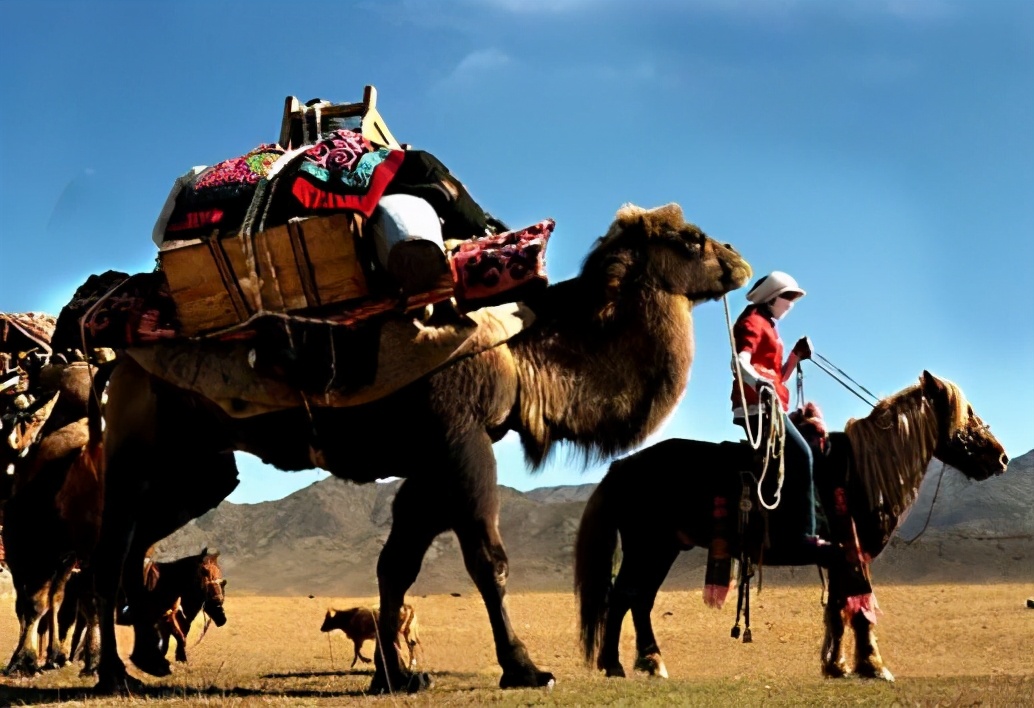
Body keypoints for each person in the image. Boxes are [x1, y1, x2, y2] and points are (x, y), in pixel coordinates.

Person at [729, 270, 829, 565]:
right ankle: (803, 535)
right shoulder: (751, 322)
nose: (791, 304)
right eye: (788, 297)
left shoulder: (769, 326)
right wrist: (757, 383)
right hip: (757, 408)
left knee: (810, 449)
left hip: (770, 404)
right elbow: (739, 363)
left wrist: (796, 356)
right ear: (772, 297)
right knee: (802, 457)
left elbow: (777, 377)